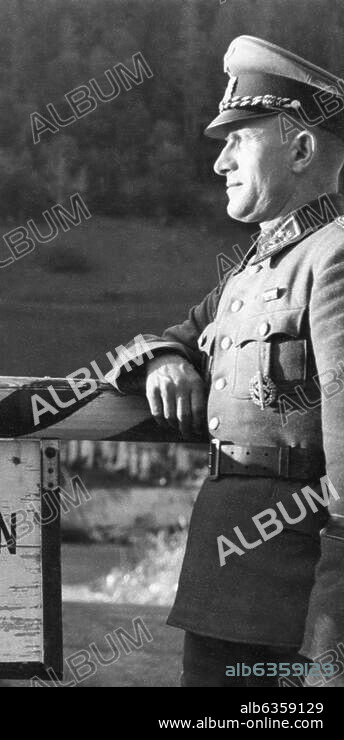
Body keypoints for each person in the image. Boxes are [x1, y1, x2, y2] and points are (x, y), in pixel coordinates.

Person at [109, 35, 344, 687]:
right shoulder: (249, 272)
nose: (220, 164)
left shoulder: (333, 261)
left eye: (238, 139)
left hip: (293, 621)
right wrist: (165, 360)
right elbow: (172, 334)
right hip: (220, 599)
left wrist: (330, 653)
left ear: (300, 149)